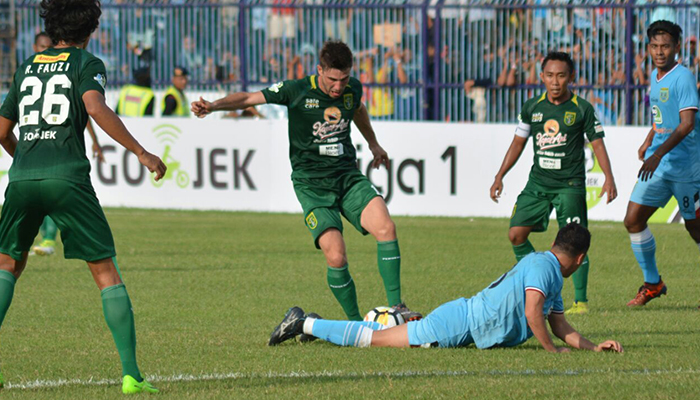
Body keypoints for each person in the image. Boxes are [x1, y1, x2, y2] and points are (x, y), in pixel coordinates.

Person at [0, 0, 166, 393]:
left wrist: (26, 158)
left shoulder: (27, 66)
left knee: (7, 265)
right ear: (90, 29)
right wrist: (141, 151)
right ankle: (131, 376)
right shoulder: (86, 63)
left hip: (22, 176)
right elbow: (95, 107)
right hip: (68, 177)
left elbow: (2, 130)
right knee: (105, 272)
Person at [191, 41, 421, 322]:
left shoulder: (352, 89)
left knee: (386, 227)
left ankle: (398, 307)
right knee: (336, 257)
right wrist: (213, 106)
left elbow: (358, 110)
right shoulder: (296, 90)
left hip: (347, 176)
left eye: (344, 78)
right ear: (319, 70)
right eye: (333, 79)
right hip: (312, 185)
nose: (338, 86)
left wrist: (373, 143)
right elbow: (249, 99)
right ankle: (356, 323)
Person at [269, 224, 624, 354]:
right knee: (375, 340)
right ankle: (303, 323)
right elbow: (534, 313)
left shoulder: (547, 271)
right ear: (580, 258)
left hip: (462, 320)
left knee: (380, 333)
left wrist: (594, 347)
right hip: (458, 325)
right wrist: (550, 351)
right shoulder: (543, 267)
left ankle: (313, 323)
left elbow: (559, 324)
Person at [489, 52, 617, 315]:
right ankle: (533, 282)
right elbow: (517, 143)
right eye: (549, 75)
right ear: (541, 77)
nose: (555, 81)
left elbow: (598, 144)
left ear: (571, 77)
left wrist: (608, 177)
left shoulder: (582, 108)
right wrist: (499, 175)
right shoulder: (532, 108)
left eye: (561, 75)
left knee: (575, 243)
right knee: (515, 234)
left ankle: (580, 302)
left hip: (569, 186)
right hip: (538, 183)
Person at [624, 21, 700, 307]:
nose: (659, 51)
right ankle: (653, 284)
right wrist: (649, 140)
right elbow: (662, 119)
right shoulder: (655, 76)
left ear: (677, 47)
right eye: (654, 46)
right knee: (633, 220)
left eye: (665, 46)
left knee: (695, 229)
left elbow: (687, 124)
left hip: (686, 170)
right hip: (659, 165)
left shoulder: (683, 77)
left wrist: (656, 154)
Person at [30, 32, 106, 257]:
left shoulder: (56, 70)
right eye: (41, 46)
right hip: (37, 145)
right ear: (35, 46)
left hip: (58, 149)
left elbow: (84, 109)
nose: (44, 50)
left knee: (50, 197)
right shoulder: (31, 71)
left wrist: (94, 140)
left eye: (48, 46)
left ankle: (48, 240)